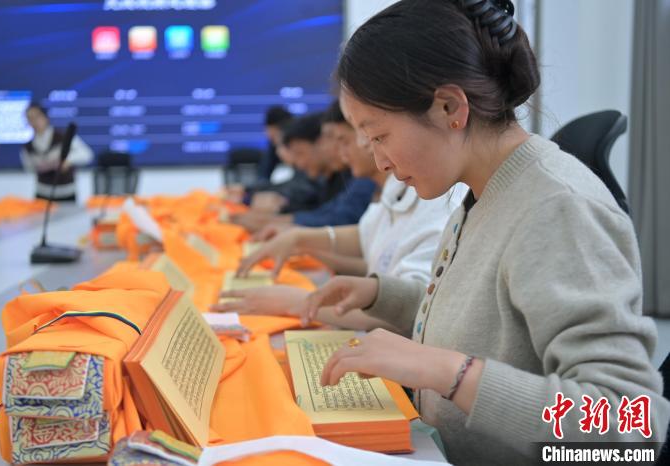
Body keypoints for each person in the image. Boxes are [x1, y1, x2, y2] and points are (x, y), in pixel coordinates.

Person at [295, 0, 669, 464]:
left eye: (380, 136)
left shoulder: (557, 208)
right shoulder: (482, 193)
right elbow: (492, 326)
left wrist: (448, 372)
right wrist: (382, 295)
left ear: (449, 107)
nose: (378, 161)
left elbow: (630, 428)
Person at [212, 104, 467, 330]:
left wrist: (299, 302)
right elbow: (368, 238)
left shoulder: (445, 203)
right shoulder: (398, 189)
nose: (368, 149)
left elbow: (411, 308)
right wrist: (300, 239)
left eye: (376, 136)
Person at [232, 108, 376, 232]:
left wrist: (277, 222)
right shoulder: (339, 176)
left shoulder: (362, 177)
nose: (334, 148)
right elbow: (325, 211)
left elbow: (340, 219)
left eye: (342, 140)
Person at [20, 103, 93, 201]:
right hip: (42, 194)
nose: (34, 122)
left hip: (66, 194)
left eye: (37, 117)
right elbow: (29, 168)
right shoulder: (28, 147)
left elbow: (87, 155)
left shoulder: (63, 137)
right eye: (30, 118)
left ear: (45, 117)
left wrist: (68, 160)